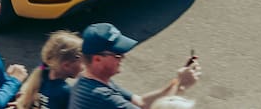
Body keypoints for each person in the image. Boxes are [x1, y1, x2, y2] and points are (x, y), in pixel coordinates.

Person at [68, 23, 199, 109]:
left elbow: (141, 102)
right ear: (97, 59)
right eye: (118, 55)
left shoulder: (92, 80)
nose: (123, 57)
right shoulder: (101, 97)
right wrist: (182, 86)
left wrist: (177, 82)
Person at [14, 31, 85, 109]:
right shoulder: (65, 92)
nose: (83, 67)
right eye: (82, 62)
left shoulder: (42, 76)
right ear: (66, 65)